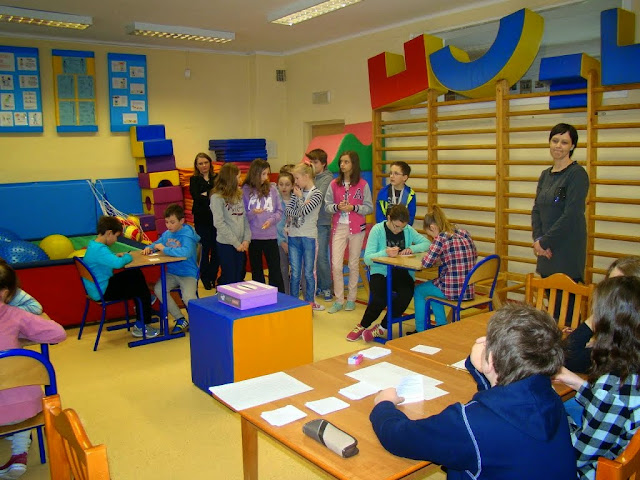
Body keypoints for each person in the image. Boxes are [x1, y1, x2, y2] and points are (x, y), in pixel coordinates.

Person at [370, 304, 576, 480]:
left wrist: (383, 405)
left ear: (491, 359)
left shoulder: (468, 423)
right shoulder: (550, 397)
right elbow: (500, 397)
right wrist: (482, 367)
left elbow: (399, 438)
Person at [555, 276, 640, 480]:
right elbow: (614, 409)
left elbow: (573, 455)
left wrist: (550, 404)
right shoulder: (630, 365)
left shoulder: (612, 387)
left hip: (591, 472)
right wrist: (576, 382)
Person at [0, 261, 66, 480]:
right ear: (7, 292)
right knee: (22, 392)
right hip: (26, 410)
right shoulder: (15, 314)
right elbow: (58, 333)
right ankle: (19, 452)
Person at [531, 123, 589, 322]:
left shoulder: (577, 174)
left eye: (564, 142)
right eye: (555, 140)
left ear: (572, 146)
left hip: (565, 249)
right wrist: (538, 240)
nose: (558, 145)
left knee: (567, 311)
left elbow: (572, 214)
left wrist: (546, 242)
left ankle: (572, 341)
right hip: (545, 249)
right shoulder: (545, 175)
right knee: (554, 310)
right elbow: (537, 209)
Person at [347, 204, 430, 342]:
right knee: (380, 298)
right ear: (389, 218)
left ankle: (382, 327)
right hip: (381, 271)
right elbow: (367, 259)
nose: (398, 230)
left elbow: (427, 243)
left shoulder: (407, 229)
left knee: (406, 293)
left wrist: (411, 249)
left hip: (402, 272)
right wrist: (385, 252)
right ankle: (363, 325)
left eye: (402, 227)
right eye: (396, 226)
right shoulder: (377, 230)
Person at [82, 216, 158, 338]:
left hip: (97, 288)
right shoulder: (100, 250)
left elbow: (106, 258)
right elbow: (118, 264)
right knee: (138, 285)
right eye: (116, 236)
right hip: (103, 291)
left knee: (134, 274)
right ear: (109, 233)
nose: (116, 240)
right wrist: (128, 256)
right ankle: (142, 324)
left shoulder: (94, 245)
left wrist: (114, 255)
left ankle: (144, 304)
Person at [564, 256, 640, 374]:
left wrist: (596, 317)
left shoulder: (625, 345)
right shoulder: (624, 332)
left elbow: (568, 359)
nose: (608, 292)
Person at [412, 205, 477, 330]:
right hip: (468, 289)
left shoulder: (441, 238)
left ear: (432, 227)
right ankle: (441, 326)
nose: (432, 238)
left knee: (419, 290)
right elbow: (474, 255)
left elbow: (426, 263)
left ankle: (420, 330)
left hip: (453, 290)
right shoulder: (463, 233)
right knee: (434, 287)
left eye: (431, 235)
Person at [325, 151, 373, 314]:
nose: (342, 165)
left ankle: (351, 299)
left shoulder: (363, 184)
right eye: (341, 162)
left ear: (354, 164)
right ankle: (339, 300)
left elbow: (369, 207)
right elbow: (327, 206)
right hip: (339, 227)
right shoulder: (334, 184)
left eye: (346, 162)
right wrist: (337, 207)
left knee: (353, 263)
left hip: (357, 228)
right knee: (336, 264)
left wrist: (354, 208)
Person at [142, 204, 199, 335]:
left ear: (182, 221)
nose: (169, 225)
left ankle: (199, 321)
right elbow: (157, 243)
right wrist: (150, 248)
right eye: (167, 222)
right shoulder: (167, 234)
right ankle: (180, 319)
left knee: (188, 298)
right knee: (159, 289)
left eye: (172, 222)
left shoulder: (187, 235)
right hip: (172, 273)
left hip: (188, 273)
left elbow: (186, 252)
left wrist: (165, 249)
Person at [286, 162, 325, 311]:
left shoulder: (316, 194)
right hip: (294, 236)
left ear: (306, 176)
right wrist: (299, 200)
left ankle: (310, 302)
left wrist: (300, 198)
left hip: (309, 237)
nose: (295, 182)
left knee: (309, 272)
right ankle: (293, 302)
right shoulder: (297, 192)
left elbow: (304, 212)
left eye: (297, 178)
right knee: (295, 272)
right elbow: (288, 211)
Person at [242, 159, 284, 292]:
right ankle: (259, 296)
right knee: (257, 271)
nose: (266, 177)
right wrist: (253, 213)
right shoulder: (245, 190)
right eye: (263, 174)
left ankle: (278, 296)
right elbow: (243, 216)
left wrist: (271, 220)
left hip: (270, 236)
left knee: (275, 270)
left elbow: (279, 211)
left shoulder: (272, 189)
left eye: (267, 174)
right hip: (253, 236)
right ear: (255, 173)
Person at [210, 163, 251, 286]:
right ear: (231, 179)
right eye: (238, 177)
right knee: (229, 277)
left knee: (239, 275)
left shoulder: (239, 194)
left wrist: (246, 239)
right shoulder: (217, 197)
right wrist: (235, 243)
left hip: (240, 243)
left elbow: (244, 218)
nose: (240, 179)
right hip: (226, 244)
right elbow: (219, 223)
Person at [305, 149, 334, 302]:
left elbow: (318, 196)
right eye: (310, 162)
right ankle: (316, 285)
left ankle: (327, 286)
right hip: (309, 222)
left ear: (323, 164)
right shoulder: (311, 176)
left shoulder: (327, 178)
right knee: (311, 256)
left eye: (315, 162)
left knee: (322, 256)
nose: (312, 165)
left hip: (322, 222)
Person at [189, 152, 218, 290]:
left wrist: (206, 195)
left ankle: (213, 276)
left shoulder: (216, 178)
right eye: (200, 163)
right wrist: (210, 195)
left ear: (210, 163)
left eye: (206, 162)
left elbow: (218, 195)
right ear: (196, 166)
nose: (204, 166)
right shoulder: (194, 180)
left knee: (217, 249)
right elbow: (196, 197)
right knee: (205, 249)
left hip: (216, 219)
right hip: (201, 220)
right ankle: (205, 277)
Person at [375, 161, 417, 225]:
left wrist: (399, 227)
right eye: (391, 173)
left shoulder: (410, 194)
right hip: (385, 228)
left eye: (396, 173)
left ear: (404, 177)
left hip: (402, 229)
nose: (392, 176)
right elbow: (379, 216)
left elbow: (410, 217)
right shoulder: (383, 192)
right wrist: (387, 227)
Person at [276, 171, 294, 295]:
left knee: (296, 270)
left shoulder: (297, 200)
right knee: (283, 269)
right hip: (280, 242)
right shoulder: (275, 202)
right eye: (281, 184)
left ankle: (294, 295)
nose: (284, 187)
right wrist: (281, 242)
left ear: (292, 186)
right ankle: (286, 294)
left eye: (287, 184)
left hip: (295, 241)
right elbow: (274, 225)